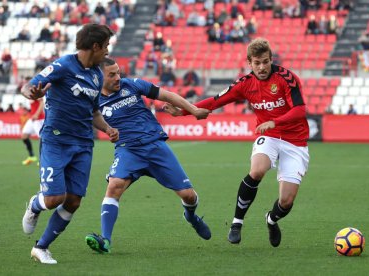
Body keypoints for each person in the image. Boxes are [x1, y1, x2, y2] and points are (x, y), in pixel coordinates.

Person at [164, 38, 309, 247]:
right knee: (257, 171)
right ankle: (236, 223)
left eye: (266, 62)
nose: (262, 67)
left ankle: (271, 219)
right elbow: (215, 101)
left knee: (286, 202)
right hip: (267, 136)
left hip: (295, 141)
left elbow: (300, 110)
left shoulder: (287, 78)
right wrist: (185, 111)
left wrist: (274, 121)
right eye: (257, 63)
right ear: (249, 63)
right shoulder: (245, 84)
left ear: (271, 60)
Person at [84, 58, 211, 254]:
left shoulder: (132, 85)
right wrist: (108, 130)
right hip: (128, 150)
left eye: (118, 72)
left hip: (155, 146)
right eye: (112, 74)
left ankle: (191, 217)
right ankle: (105, 241)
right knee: (114, 186)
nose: (118, 77)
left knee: (189, 195)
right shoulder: (93, 100)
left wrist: (192, 110)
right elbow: (87, 119)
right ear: (99, 77)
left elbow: (166, 95)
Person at [21, 23, 119, 265]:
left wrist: (107, 128)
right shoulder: (63, 65)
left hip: (84, 143)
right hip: (56, 139)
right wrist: (31, 93)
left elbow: (94, 111)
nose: (107, 51)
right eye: (105, 46)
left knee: (73, 201)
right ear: (95, 46)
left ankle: (41, 247)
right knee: (54, 198)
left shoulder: (97, 74)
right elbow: (28, 86)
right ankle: (35, 204)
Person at [20, 97, 45, 165]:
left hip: (39, 119)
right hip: (32, 119)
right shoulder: (29, 91)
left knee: (42, 139)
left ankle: (42, 159)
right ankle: (31, 156)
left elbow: (42, 103)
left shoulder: (35, 89)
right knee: (24, 136)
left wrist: (36, 114)